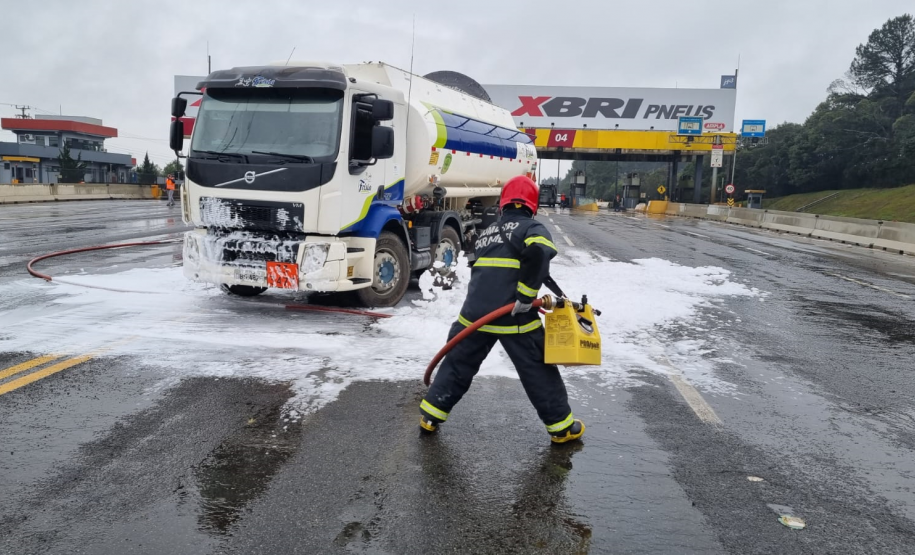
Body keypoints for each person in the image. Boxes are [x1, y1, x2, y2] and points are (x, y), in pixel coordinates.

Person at [419, 175, 585, 444]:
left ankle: (430, 416)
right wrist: (526, 294)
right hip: (513, 315)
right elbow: (540, 252)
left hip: (474, 315)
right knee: (538, 369)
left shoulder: (487, 232)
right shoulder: (532, 228)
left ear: (503, 204)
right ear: (532, 205)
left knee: (458, 364)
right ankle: (562, 428)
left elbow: (480, 268)